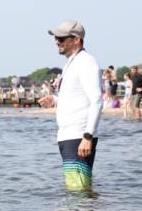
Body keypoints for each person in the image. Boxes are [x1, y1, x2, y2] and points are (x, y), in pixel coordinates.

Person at [38, 20, 102, 191]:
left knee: (78, 191)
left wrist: (87, 137)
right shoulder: (71, 63)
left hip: (79, 136)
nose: (57, 41)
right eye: (56, 38)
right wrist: (55, 100)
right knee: (76, 189)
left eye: (61, 38)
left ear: (76, 39)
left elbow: (97, 100)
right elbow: (76, 96)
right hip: (68, 135)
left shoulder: (86, 62)